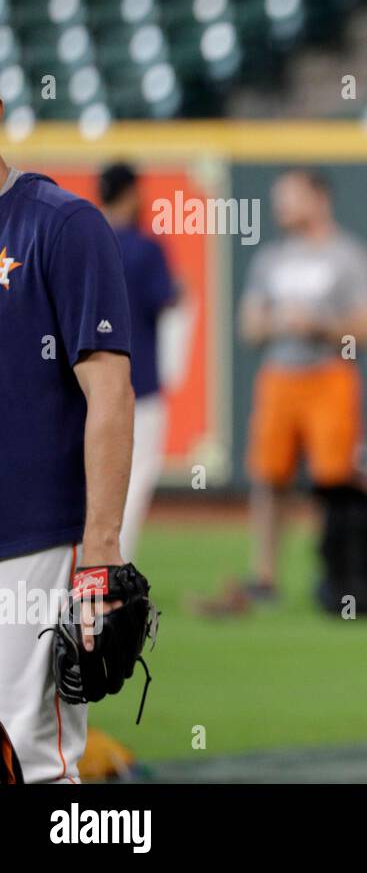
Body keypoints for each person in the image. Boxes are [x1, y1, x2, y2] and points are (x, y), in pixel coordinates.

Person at [0, 103, 136, 783]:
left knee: (34, 760)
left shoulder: (60, 224)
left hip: (35, 542)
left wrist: (102, 552)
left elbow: (110, 391)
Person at [237, 169, 367, 602]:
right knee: (269, 477)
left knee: (334, 480)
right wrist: (277, 322)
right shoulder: (272, 258)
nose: (280, 206)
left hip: (330, 375)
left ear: (319, 198)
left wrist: (320, 325)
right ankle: (264, 574)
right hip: (280, 376)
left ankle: (336, 572)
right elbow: (249, 327)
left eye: (290, 196)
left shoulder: (349, 255)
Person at [97, 163, 182, 563]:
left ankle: (83, 569)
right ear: (130, 193)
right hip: (139, 385)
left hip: (88, 386)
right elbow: (168, 299)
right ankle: (114, 570)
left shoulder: (86, 244)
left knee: (91, 480)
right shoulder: (146, 249)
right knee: (132, 481)